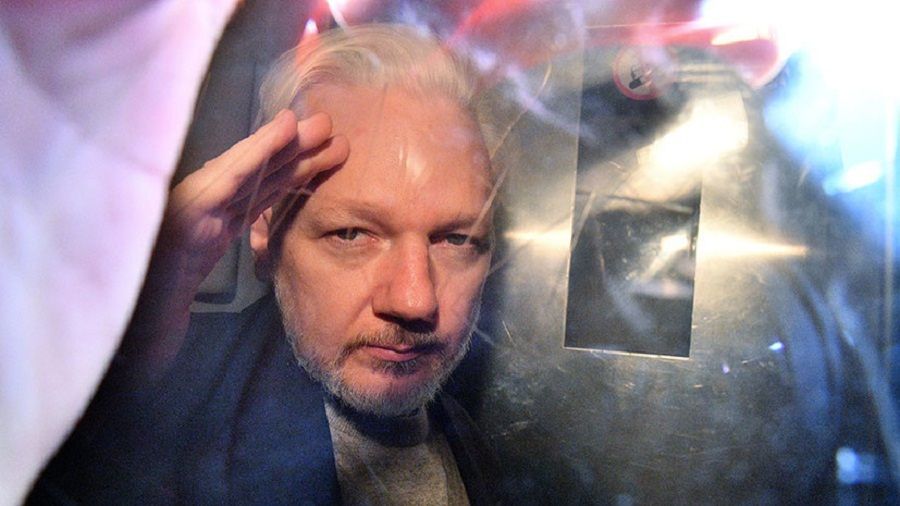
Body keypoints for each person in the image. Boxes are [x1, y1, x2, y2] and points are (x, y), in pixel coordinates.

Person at [27, 24, 500, 505]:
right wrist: (115, 340)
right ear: (265, 233)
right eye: (351, 234)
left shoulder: (469, 440)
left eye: (456, 239)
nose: (415, 300)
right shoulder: (170, 410)